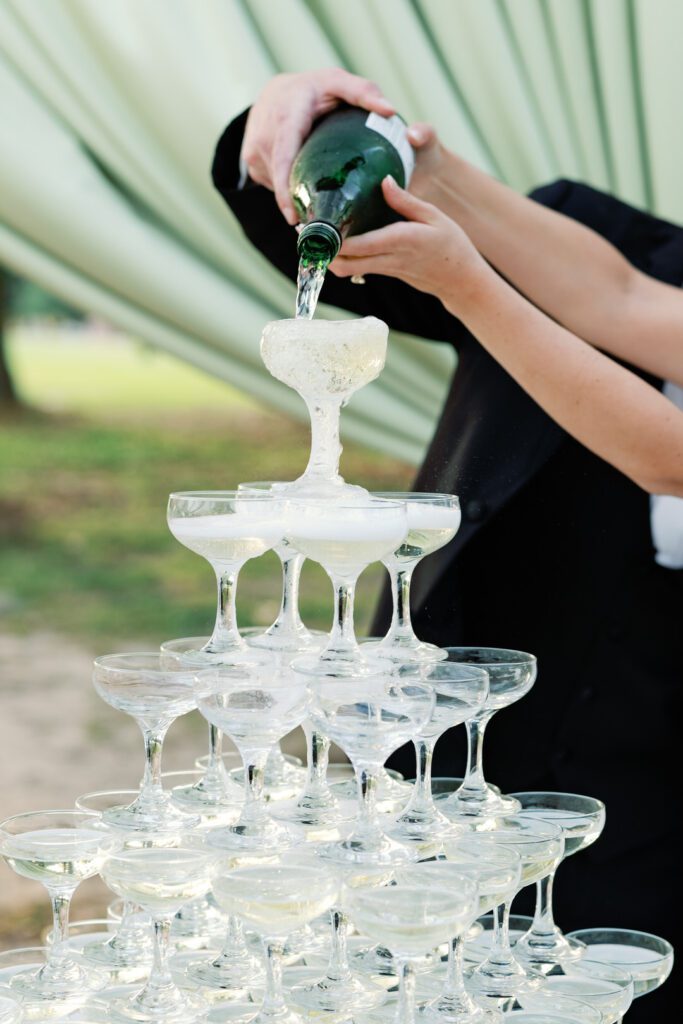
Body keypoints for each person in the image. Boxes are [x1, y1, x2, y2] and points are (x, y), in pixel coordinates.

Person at [212, 70, 681, 1017]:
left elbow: (670, 460)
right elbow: (622, 297)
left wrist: (470, 285)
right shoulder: (618, 240)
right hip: (489, 737)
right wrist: (397, 149)